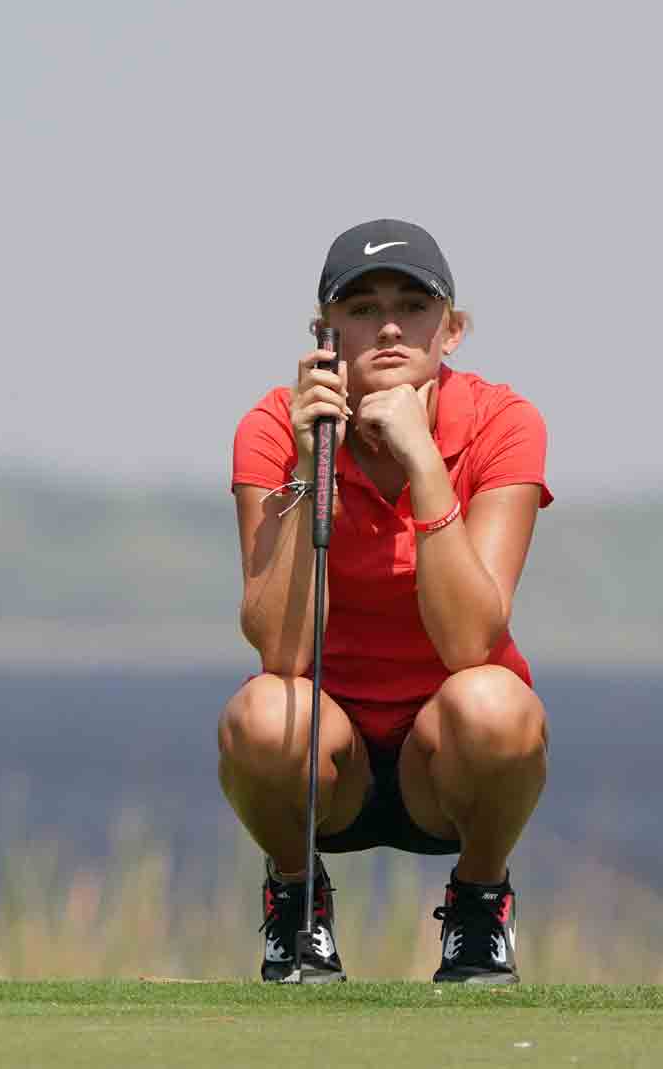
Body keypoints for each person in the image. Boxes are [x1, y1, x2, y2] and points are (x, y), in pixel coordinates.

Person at [223, 219, 553, 984]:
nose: (392, 325)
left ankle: (479, 900)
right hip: (324, 762)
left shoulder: (505, 421)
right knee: (262, 713)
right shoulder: (273, 426)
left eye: (415, 304)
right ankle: (297, 899)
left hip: (446, 761)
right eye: (363, 307)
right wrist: (313, 470)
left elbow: (473, 639)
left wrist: (421, 457)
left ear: (454, 329)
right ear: (325, 331)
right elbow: (279, 650)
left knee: (495, 704)